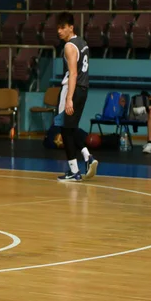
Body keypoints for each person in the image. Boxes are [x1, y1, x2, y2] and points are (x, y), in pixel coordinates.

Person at [54, 11, 98, 182]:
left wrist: (68, 98)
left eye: (62, 28)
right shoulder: (83, 43)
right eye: (57, 28)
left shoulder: (69, 46)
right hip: (83, 89)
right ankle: (86, 158)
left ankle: (76, 169)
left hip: (72, 89)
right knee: (70, 128)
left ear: (71, 27)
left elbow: (72, 73)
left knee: (65, 129)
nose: (59, 31)